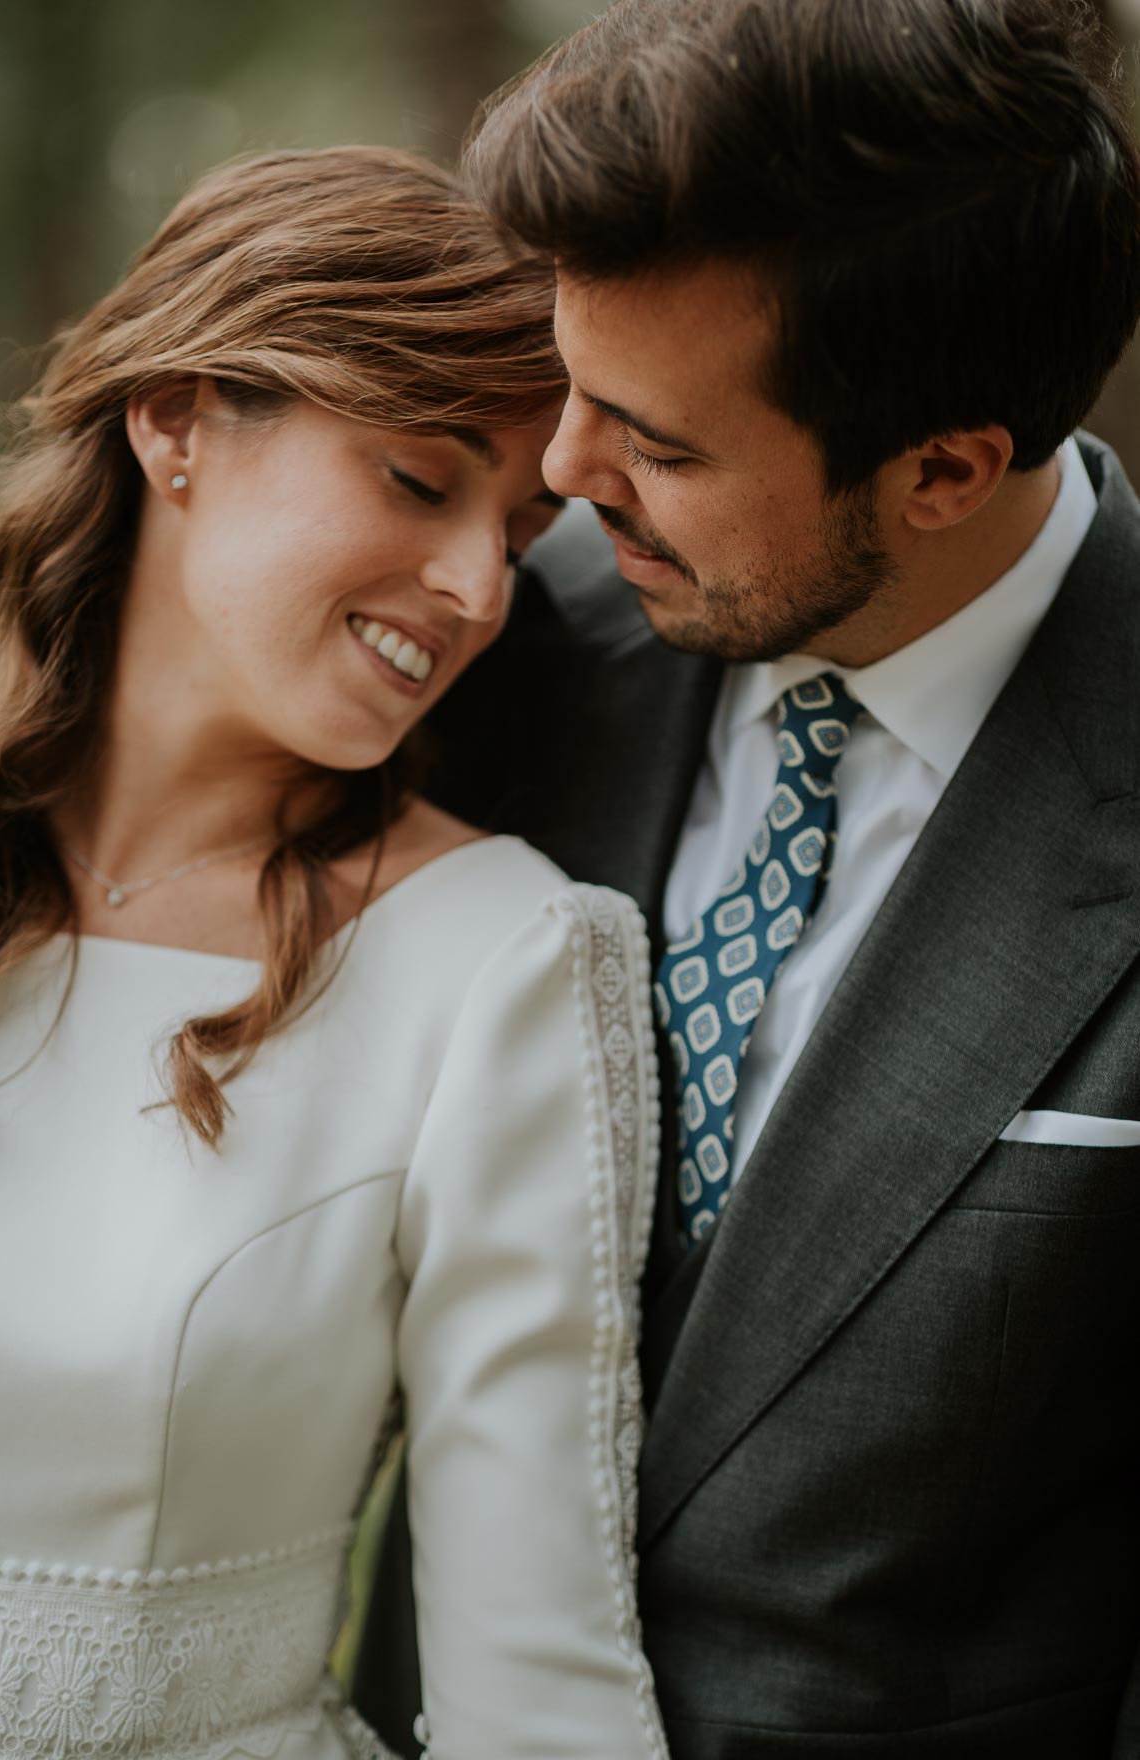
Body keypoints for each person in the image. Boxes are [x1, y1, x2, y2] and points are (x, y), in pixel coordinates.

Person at [354, 0, 1140, 1754]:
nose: (559, 472)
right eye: (570, 386)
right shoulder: (502, 662)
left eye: (663, 445)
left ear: (944, 468)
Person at [0, 146, 672, 1760]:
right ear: (176, 420)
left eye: (524, 524)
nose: (481, 588)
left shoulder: (496, 961)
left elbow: (534, 1680)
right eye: (422, 483)